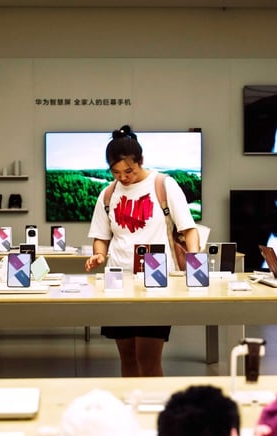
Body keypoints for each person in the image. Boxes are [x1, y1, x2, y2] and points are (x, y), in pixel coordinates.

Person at [85, 125, 200, 377]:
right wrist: (99, 255)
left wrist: (195, 265)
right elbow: (102, 237)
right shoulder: (107, 194)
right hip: (118, 281)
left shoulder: (163, 185)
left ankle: (153, 411)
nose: (124, 178)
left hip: (156, 282)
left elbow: (189, 230)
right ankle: (130, 409)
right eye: (116, 172)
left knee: (148, 359)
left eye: (129, 170)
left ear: (141, 161)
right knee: (126, 358)